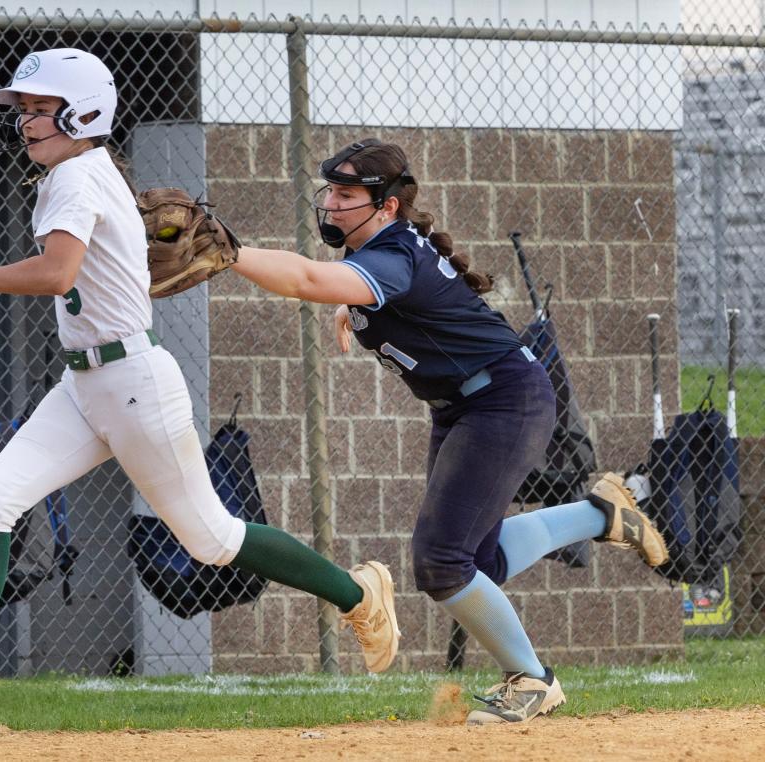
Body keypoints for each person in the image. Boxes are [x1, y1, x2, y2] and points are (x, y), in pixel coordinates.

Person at [0, 50, 399, 721]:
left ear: (83, 113)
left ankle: (358, 595)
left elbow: (58, 274)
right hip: (85, 383)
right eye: (26, 110)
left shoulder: (75, 177)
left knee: (212, 540)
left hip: (131, 383)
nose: (28, 122)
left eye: (42, 109)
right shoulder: (80, 173)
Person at [229, 138, 670, 725]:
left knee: (441, 563)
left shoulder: (392, 257)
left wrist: (229, 252)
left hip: (502, 402)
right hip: (469, 405)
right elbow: (356, 286)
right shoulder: (383, 252)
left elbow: (310, 279)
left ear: (386, 207)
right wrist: (350, 306)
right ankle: (602, 513)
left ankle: (533, 681)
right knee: (476, 562)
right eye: (329, 191)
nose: (331, 205)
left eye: (347, 194)